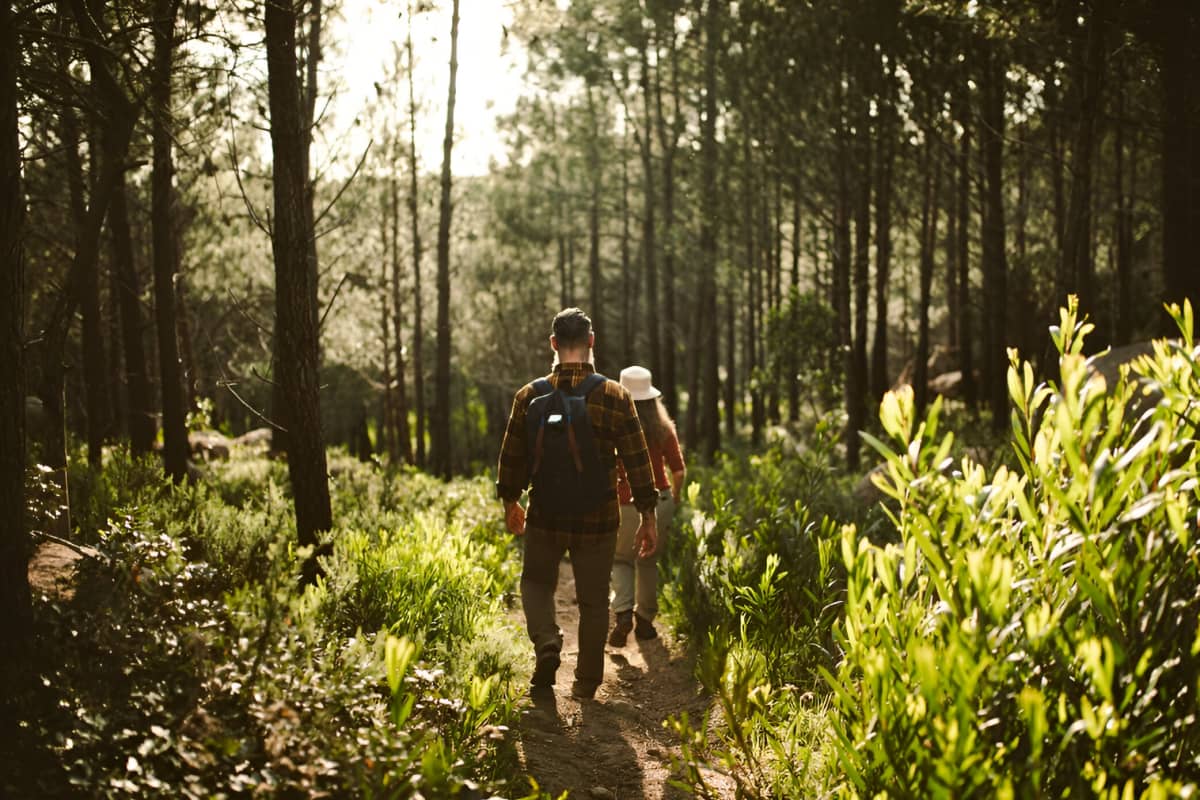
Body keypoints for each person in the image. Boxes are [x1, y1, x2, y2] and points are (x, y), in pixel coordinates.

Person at [496, 308, 659, 700]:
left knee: (535, 582)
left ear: (553, 344)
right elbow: (638, 459)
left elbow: (511, 456)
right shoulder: (614, 395)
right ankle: (586, 683)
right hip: (598, 517)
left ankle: (548, 642)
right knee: (592, 599)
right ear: (591, 342)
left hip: (546, 515)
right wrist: (647, 516)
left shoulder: (529, 395)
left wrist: (510, 502)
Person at [608, 366, 686, 646]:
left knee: (621, 560)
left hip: (621, 504)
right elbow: (678, 470)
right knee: (648, 560)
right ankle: (645, 621)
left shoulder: (612, 426)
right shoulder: (663, 428)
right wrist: (675, 498)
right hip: (658, 500)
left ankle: (623, 614)